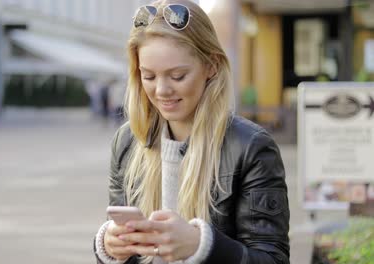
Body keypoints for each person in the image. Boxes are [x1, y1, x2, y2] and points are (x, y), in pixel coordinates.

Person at [93, 1, 290, 263]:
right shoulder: (127, 142)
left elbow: (272, 259)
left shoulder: (251, 147)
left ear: (212, 65)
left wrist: (201, 245)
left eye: (177, 76)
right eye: (149, 76)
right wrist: (109, 247)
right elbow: (126, 246)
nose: (162, 90)